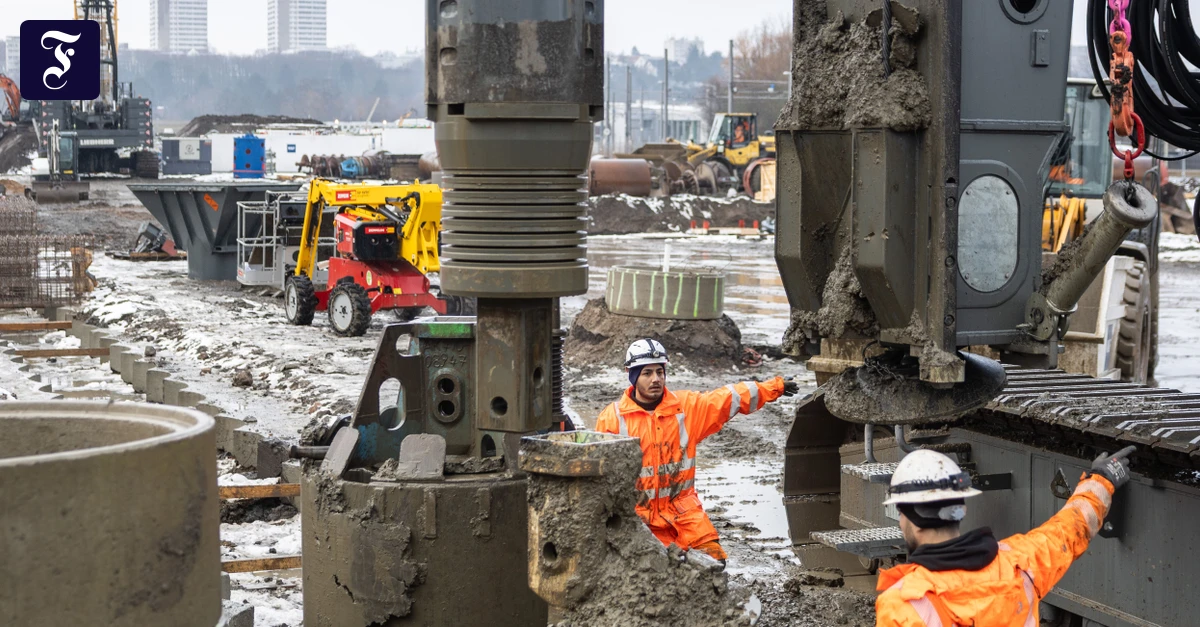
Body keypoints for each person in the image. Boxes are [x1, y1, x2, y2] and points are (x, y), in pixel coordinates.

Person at [874, 446, 1135, 626]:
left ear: (913, 520)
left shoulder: (903, 604)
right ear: (960, 510)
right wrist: (1101, 480)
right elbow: (1072, 526)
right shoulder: (1020, 565)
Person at [595, 339, 799, 563]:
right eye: (646, 373)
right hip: (637, 516)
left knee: (715, 561)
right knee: (652, 566)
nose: (656, 379)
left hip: (684, 513)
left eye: (659, 372)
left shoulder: (685, 408)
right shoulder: (613, 418)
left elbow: (728, 398)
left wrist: (774, 387)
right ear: (632, 375)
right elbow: (600, 476)